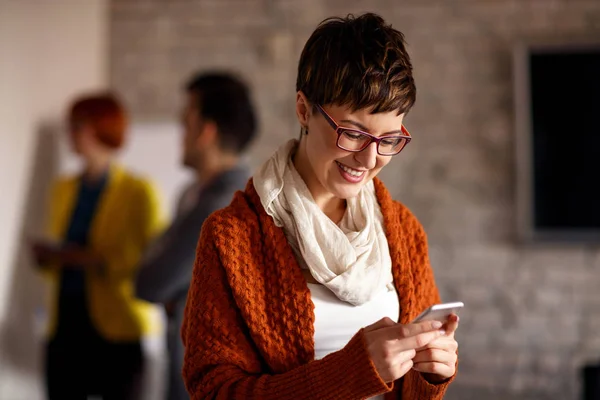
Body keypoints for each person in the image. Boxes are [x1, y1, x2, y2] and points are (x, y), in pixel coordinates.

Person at [181, 12, 459, 400]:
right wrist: (351, 373)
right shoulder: (232, 239)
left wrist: (430, 375)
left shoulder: (403, 231)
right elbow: (212, 392)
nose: (368, 160)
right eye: (352, 134)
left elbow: (409, 391)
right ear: (303, 109)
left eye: (389, 140)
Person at [31, 93, 165, 400]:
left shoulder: (138, 192)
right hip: (65, 324)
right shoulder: (63, 188)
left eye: (77, 125)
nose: (70, 134)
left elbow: (154, 259)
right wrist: (49, 257)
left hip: (117, 328)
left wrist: (94, 260)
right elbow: (61, 246)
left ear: (100, 128)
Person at [135, 72, 256, 400]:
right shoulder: (197, 194)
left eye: (185, 122)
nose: (180, 134)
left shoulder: (222, 206)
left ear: (206, 131)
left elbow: (149, 281)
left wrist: (174, 290)